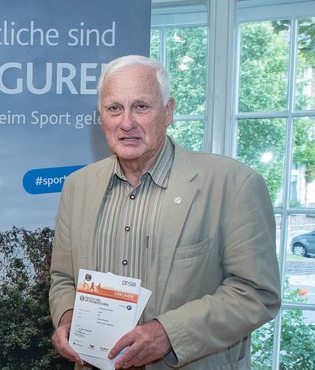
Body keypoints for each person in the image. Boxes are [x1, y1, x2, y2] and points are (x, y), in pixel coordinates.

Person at [48, 55, 281, 369]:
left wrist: (168, 334)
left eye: (141, 106)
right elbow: (63, 277)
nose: (126, 122)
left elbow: (256, 292)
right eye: (114, 108)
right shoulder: (77, 187)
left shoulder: (234, 184)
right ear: (101, 116)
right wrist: (68, 316)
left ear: (169, 111)